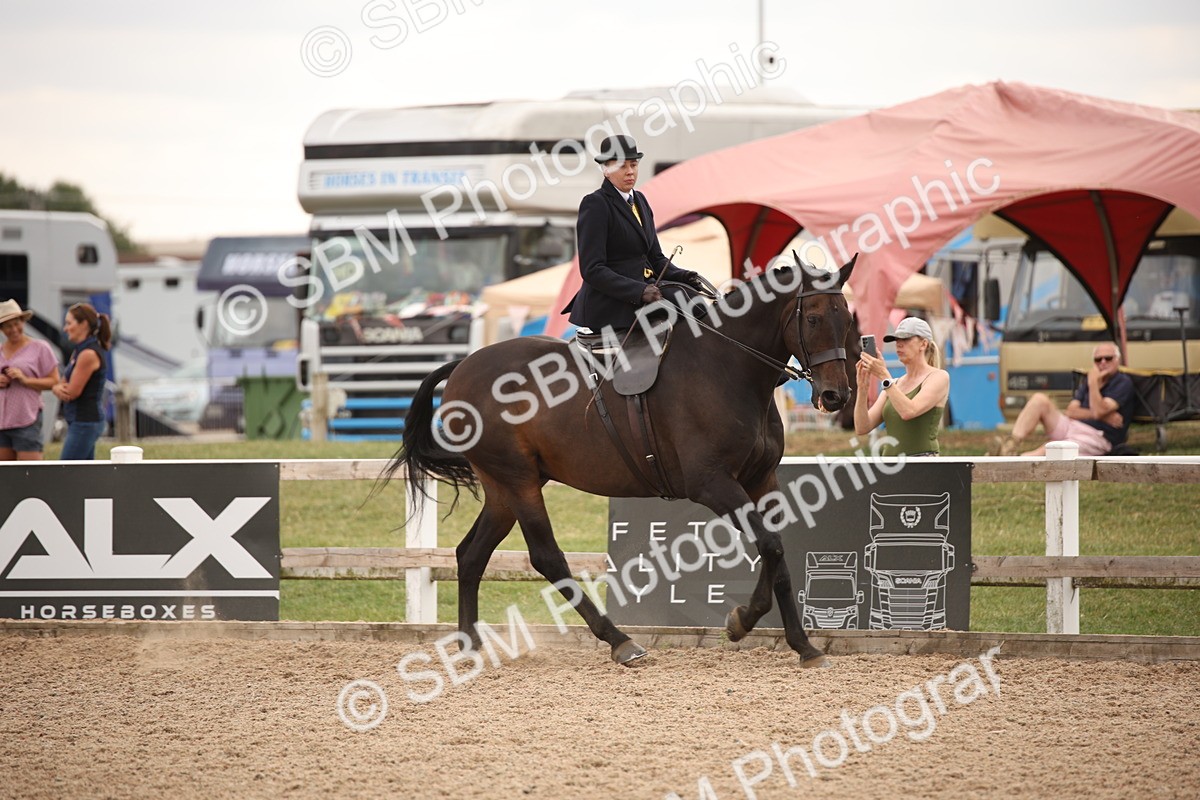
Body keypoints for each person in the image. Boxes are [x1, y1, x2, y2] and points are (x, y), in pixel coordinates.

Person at [561, 134, 706, 333]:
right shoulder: (595, 204)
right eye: (622, 166)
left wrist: (684, 276)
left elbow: (655, 258)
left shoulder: (641, 201)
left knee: (695, 303)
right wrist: (638, 291)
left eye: (634, 165)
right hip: (613, 301)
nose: (630, 172)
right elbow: (592, 269)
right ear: (606, 170)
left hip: (647, 291)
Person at [992, 342, 1134, 456]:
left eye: (1108, 358)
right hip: (1072, 425)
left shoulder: (1122, 382)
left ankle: (1016, 461)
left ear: (1117, 360)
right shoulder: (1089, 380)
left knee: (1048, 450)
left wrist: (1093, 384)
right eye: (1098, 359)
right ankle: (1010, 445)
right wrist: (1103, 416)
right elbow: (1071, 411)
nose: (1102, 362)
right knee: (1039, 399)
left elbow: (1098, 410)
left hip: (1097, 437)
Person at [854, 317, 950, 456]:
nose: (898, 344)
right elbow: (862, 427)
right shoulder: (894, 384)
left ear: (923, 344)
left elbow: (909, 411)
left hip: (924, 465)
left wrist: (884, 376)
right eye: (896, 340)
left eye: (906, 339)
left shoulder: (939, 377)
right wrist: (862, 389)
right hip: (890, 467)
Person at [0, 300, 61, 461]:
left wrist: (25, 380)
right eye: (8, 326)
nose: (13, 329)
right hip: (2, 422)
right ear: (2, 329)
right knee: (5, 478)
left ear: (23, 322)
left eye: (16, 323)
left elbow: (55, 381)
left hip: (26, 418)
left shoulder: (40, 348)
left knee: (29, 475)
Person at [51, 303, 111, 460]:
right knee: (83, 474)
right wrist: (57, 387)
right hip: (79, 421)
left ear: (83, 324)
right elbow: (62, 382)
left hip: (85, 422)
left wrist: (57, 388)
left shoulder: (88, 354)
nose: (65, 328)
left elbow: (71, 392)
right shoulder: (78, 351)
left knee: (65, 470)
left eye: (69, 323)